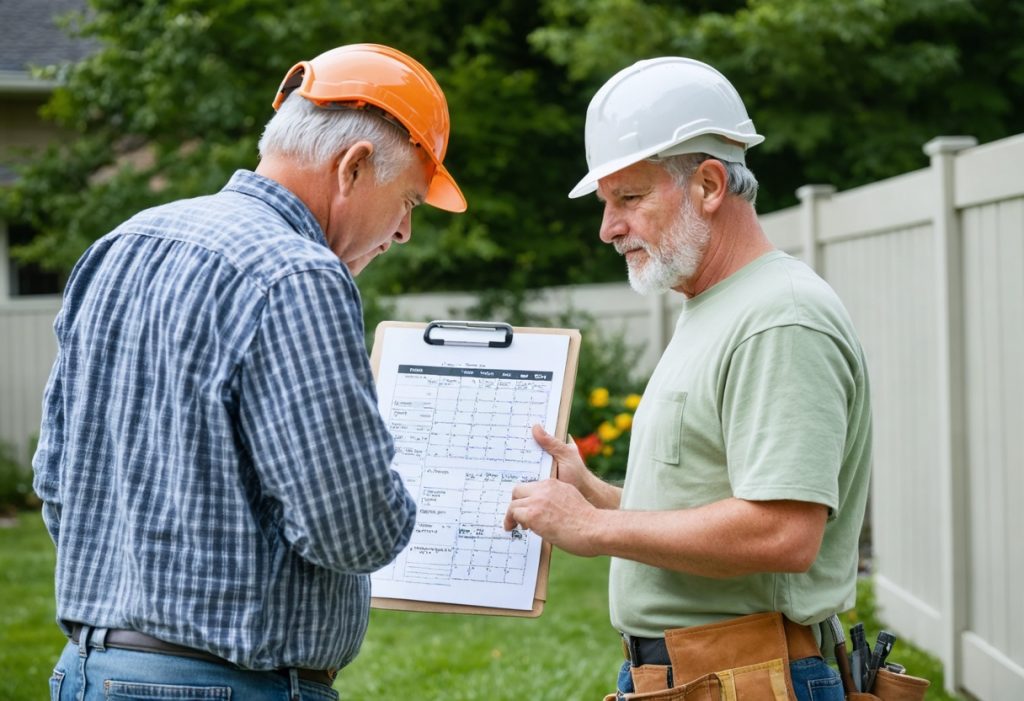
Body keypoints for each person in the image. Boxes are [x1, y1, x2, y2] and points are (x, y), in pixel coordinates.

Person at [33, 43, 466, 701]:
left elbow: (57, 479)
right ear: (352, 168)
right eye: (408, 199)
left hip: (86, 671)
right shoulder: (299, 272)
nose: (404, 231)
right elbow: (350, 529)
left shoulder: (119, 245)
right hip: (228, 684)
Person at [505, 57, 871, 701]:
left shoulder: (779, 318)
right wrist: (595, 495)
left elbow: (784, 531)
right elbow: (711, 505)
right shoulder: (717, 303)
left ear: (707, 184)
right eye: (605, 202)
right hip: (706, 674)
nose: (608, 227)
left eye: (630, 197)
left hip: (750, 676)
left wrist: (596, 531)